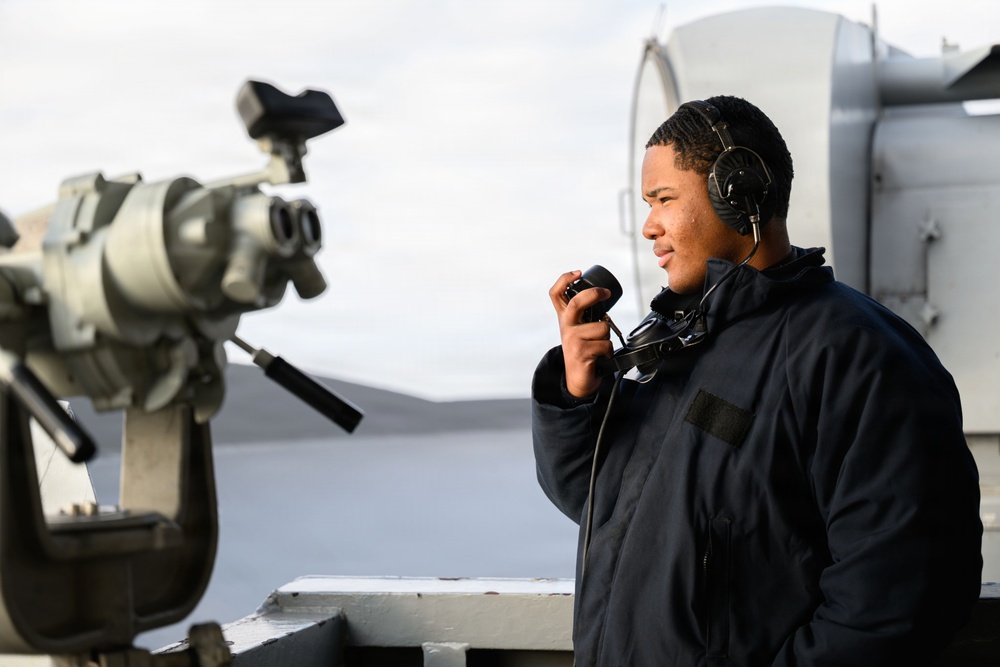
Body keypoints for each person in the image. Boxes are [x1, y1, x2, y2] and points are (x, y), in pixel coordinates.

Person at [531, 95, 983, 666]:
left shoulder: (859, 354)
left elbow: (901, 595)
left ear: (739, 193)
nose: (649, 226)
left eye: (664, 199)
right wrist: (580, 394)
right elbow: (596, 500)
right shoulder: (686, 345)